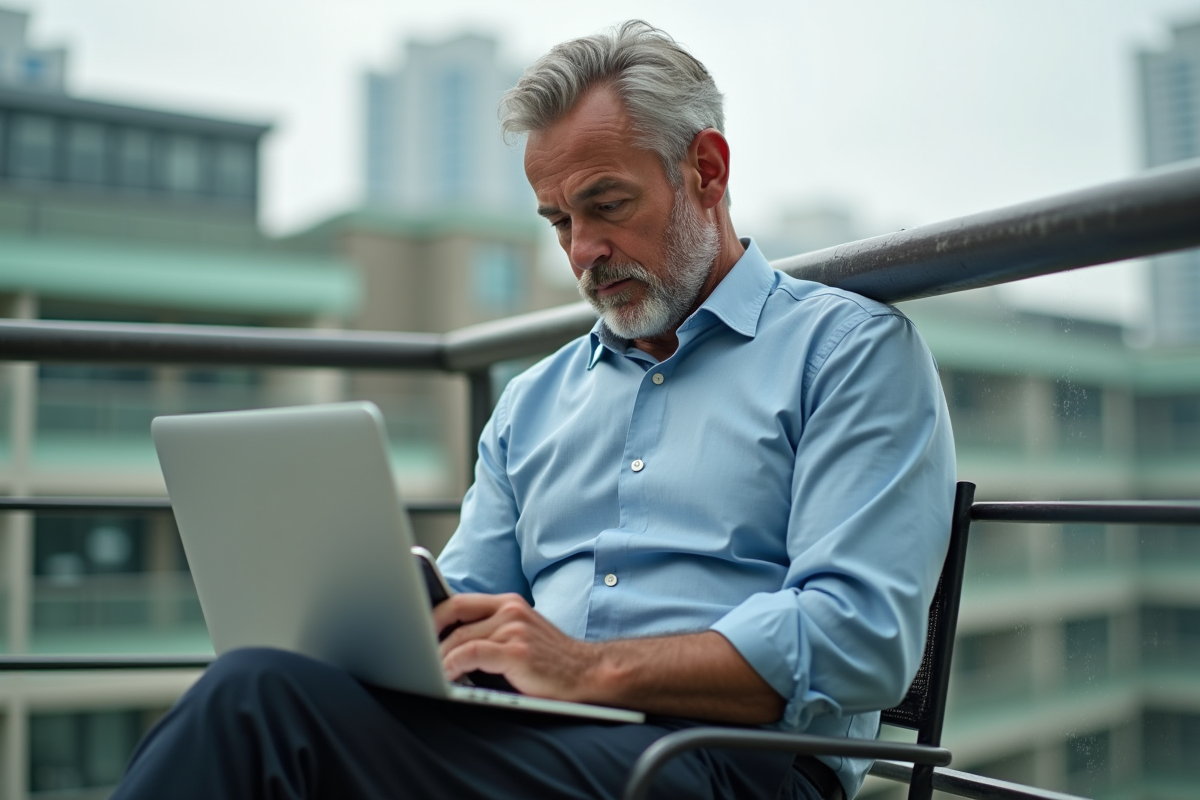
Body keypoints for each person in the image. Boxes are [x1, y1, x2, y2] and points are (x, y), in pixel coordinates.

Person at [111, 20, 954, 800]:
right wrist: (414, 630)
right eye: (558, 221)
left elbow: (859, 638)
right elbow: (470, 605)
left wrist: (589, 669)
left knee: (262, 710)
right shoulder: (535, 400)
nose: (582, 252)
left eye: (607, 206)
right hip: (547, 740)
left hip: (737, 765)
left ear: (707, 169)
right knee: (268, 689)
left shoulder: (846, 351)